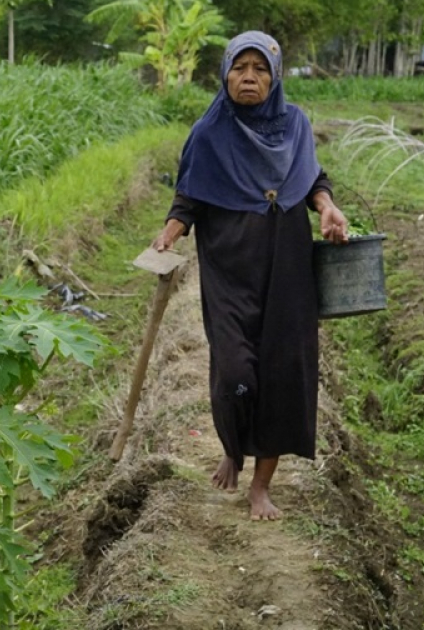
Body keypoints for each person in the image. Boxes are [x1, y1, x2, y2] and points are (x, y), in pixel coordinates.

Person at [152, 30, 349, 521]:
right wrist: (171, 233)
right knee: (236, 374)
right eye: (240, 68)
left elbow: (312, 180)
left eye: (260, 69)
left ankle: (261, 485)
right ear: (225, 74)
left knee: (283, 376)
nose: (249, 78)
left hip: (288, 270)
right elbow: (190, 195)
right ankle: (233, 445)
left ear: (275, 76)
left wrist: (326, 208)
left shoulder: (295, 125)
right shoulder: (209, 132)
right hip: (229, 270)